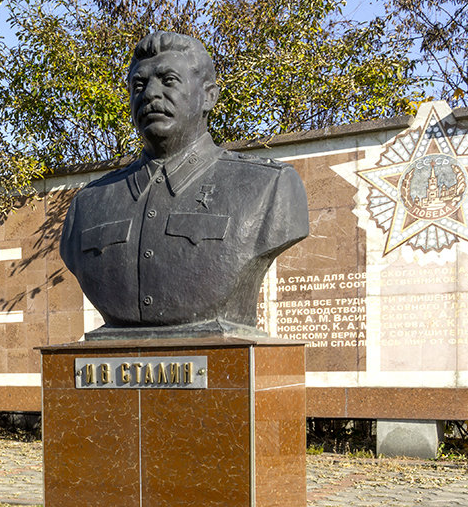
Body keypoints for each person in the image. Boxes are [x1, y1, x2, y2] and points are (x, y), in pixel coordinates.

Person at [60, 31, 309, 332]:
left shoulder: (269, 188)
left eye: (168, 80)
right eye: (138, 85)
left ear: (208, 96)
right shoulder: (88, 204)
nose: (149, 93)